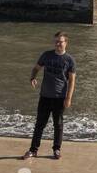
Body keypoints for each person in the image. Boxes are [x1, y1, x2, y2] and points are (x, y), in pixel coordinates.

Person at [21, 31, 76, 160]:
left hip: (60, 97)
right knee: (40, 124)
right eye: (56, 41)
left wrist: (68, 98)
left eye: (60, 41)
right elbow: (36, 68)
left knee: (58, 124)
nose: (58, 44)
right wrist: (33, 77)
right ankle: (33, 150)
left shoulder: (69, 60)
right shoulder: (47, 55)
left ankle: (56, 149)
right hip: (45, 96)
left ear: (66, 43)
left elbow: (72, 81)